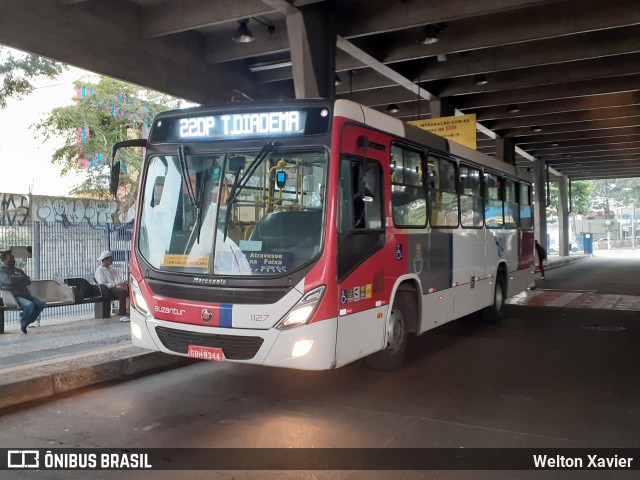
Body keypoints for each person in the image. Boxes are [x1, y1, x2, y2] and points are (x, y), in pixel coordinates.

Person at [0, 250, 46, 334]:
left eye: (13, 257)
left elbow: (28, 280)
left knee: (41, 304)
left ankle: (25, 320)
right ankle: (25, 321)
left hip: (26, 294)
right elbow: (9, 281)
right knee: (30, 305)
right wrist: (20, 279)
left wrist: (16, 279)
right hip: (14, 296)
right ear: (4, 260)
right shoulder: (1, 271)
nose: (14, 260)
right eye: (11, 258)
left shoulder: (18, 270)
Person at [95, 250, 129, 319]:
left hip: (115, 286)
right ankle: (122, 312)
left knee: (127, 288)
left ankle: (128, 308)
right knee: (122, 292)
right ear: (106, 260)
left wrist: (122, 282)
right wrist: (116, 284)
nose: (112, 260)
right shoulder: (99, 271)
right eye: (111, 259)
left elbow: (118, 278)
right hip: (108, 290)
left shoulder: (112, 269)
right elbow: (103, 284)